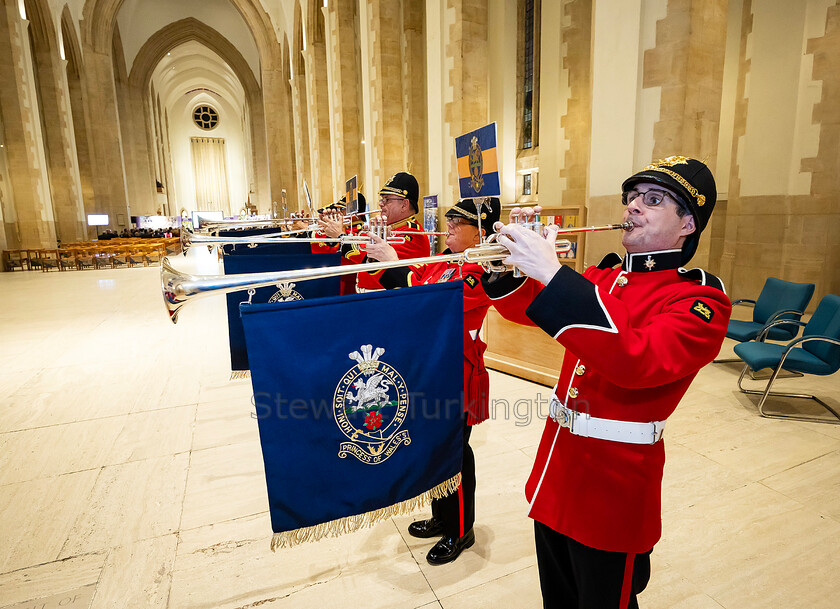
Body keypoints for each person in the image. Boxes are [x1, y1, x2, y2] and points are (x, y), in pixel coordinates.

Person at [483, 156, 731, 608]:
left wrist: (555, 274)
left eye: (653, 200)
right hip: (559, 467)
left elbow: (635, 360)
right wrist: (506, 268)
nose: (633, 207)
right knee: (558, 597)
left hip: (613, 484)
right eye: (631, 197)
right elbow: (528, 312)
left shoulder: (700, 298)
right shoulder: (605, 274)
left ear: (687, 224)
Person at [367, 197, 501, 565]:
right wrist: (391, 261)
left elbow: (430, 300)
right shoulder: (445, 261)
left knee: (455, 453)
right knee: (434, 448)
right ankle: (442, 517)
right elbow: (417, 282)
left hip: (456, 370)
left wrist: (395, 263)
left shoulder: (480, 269)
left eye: (460, 222)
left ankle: (461, 530)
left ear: (481, 232)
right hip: (432, 366)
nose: (451, 225)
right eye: (451, 220)